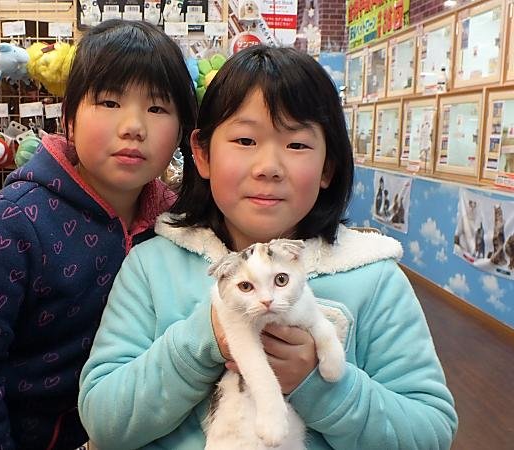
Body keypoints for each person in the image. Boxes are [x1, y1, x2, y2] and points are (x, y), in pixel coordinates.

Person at [79, 45, 458, 449]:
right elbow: (103, 419)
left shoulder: (372, 278)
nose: (269, 168)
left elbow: (430, 433)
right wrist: (205, 339)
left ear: (328, 166)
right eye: (245, 140)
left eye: (297, 145)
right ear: (202, 154)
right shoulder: (153, 266)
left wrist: (317, 383)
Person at [0, 19, 196, 450]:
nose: (134, 126)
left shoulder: (172, 227)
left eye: (158, 108)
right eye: (109, 102)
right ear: (69, 119)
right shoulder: (13, 222)